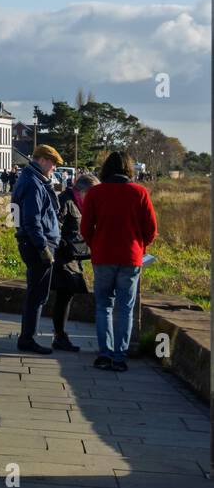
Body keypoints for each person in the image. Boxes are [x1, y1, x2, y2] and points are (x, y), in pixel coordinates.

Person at [81, 152, 158, 372]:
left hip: (103, 256)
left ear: (106, 168)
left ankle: (104, 355)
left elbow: (85, 228)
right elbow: (151, 229)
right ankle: (119, 357)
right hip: (130, 258)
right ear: (129, 169)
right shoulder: (140, 193)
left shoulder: (96, 193)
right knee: (125, 308)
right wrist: (140, 248)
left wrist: (95, 245)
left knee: (103, 306)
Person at [11, 144, 64, 354]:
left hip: (29, 242)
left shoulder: (28, 179)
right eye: (53, 163)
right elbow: (32, 221)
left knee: (35, 293)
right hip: (36, 245)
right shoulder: (33, 184)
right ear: (42, 160)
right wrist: (43, 247)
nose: (54, 168)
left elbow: (14, 215)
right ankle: (27, 339)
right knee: (37, 295)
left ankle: (27, 337)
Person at [48, 173, 98, 353]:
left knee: (66, 295)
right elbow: (55, 227)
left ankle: (60, 335)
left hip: (74, 256)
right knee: (64, 294)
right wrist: (63, 246)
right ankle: (59, 336)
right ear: (84, 190)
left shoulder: (79, 202)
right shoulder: (66, 200)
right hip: (63, 257)